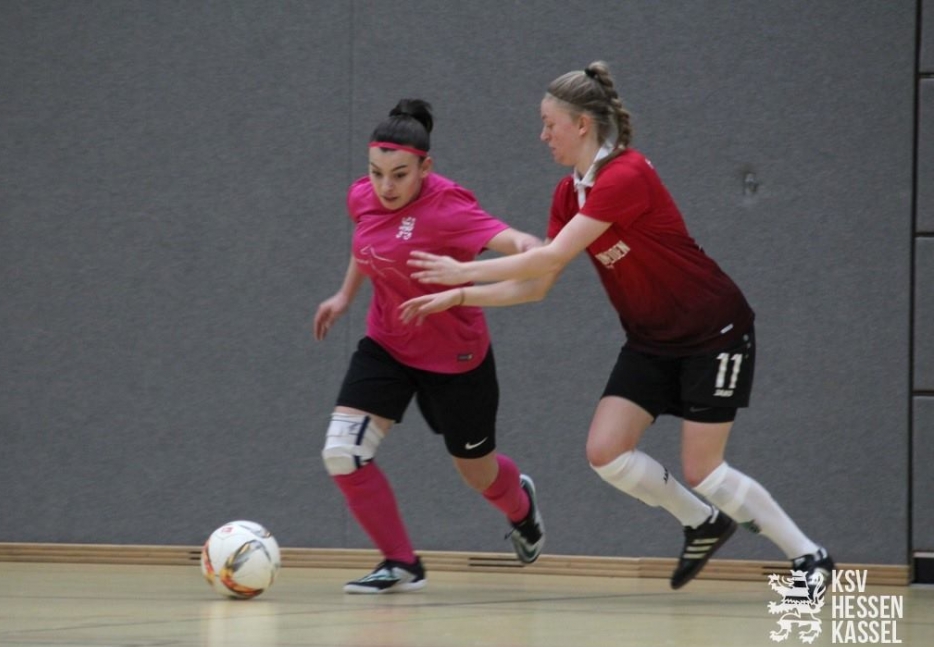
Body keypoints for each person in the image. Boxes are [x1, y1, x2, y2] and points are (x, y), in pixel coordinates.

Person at [401, 62, 835, 593]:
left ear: (582, 124)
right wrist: (460, 296)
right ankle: (702, 522)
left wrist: (463, 270)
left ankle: (810, 558)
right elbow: (538, 285)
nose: (542, 136)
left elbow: (550, 256)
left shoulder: (627, 175)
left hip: (713, 330)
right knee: (605, 452)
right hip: (653, 340)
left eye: (549, 124)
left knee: (703, 469)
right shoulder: (568, 194)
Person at [314, 99, 546, 594]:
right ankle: (401, 563)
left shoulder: (449, 209)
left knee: (478, 475)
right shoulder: (363, 196)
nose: (386, 187)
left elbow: (516, 243)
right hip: (388, 342)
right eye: (376, 173)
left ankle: (521, 508)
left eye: (399, 175)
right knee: (342, 452)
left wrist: (528, 248)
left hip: (455, 359)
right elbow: (368, 243)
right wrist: (344, 295)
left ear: (425, 168)